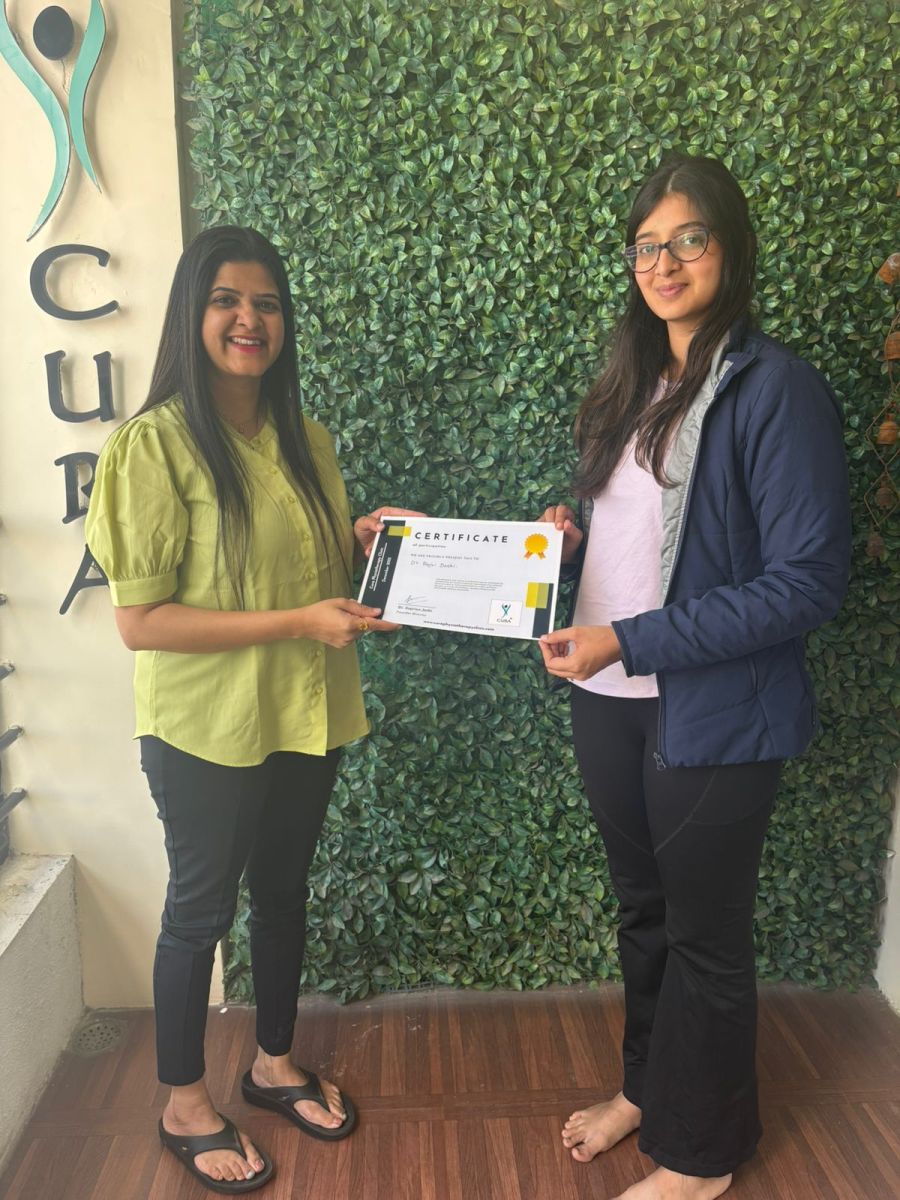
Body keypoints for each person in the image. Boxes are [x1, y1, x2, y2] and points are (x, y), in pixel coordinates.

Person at [538, 154, 850, 1200]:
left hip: (712, 712)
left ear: (731, 248)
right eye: (646, 245)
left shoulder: (776, 388)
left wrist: (630, 639)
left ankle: (703, 1155)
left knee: (706, 936)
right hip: (608, 701)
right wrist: (566, 542)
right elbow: (641, 544)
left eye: (689, 239)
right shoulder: (631, 386)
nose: (663, 263)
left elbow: (807, 581)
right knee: (644, 913)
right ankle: (646, 1090)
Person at [86, 225, 419, 1194]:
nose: (249, 320)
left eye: (267, 303)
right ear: (192, 315)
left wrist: (365, 549)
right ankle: (184, 1104)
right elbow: (142, 622)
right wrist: (301, 621)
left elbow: (305, 567)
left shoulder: (305, 439)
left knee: (282, 893)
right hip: (205, 729)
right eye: (227, 300)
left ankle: (273, 1064)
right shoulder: (151, 447)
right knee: (198, 913)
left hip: (304, 716)